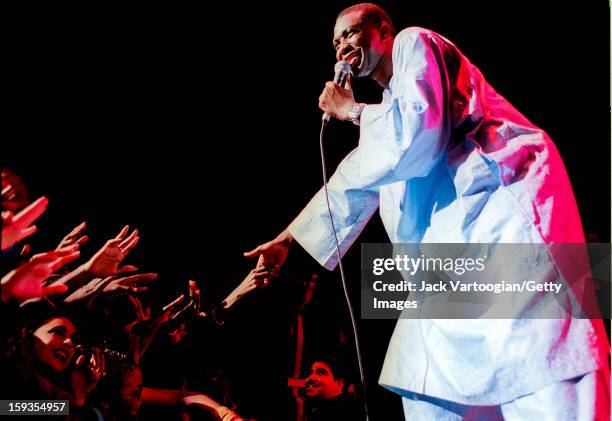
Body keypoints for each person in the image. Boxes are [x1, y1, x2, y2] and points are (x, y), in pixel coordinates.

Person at [245, 3, 610, 419]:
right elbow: (357, 176)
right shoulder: (387, 114)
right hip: (450, 256)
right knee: (425, 374)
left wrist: (351, 110)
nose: (342, 46)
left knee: (538, 357)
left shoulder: (413, 42)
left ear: (382, 29)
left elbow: (419, 134)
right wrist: (288, 241)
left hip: (501, 221)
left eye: (350, 33)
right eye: (335, 42)